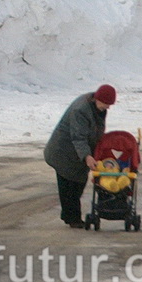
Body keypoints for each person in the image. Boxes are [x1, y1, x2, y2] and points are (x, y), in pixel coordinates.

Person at [44, 84, 115, 227]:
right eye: (106, 104)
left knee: (78, 182)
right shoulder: (81, 110)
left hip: (77, 152)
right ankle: (72, 219)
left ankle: (70, 216)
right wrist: (87, 156)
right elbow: (78, 137)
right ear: (98, 99)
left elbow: (96, 129)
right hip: (63, 151)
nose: (108, 107)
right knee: (69, 185)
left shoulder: (97, 107)